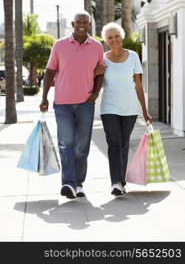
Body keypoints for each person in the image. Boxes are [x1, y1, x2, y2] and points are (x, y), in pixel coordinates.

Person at [40, 11, 104, 199]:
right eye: (78, 22)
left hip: (86, 104)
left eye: (85, 22)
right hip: (63, 104)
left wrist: (95, 94)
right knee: (66, 144)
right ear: (72, 24)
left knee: (82, 146)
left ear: (89, 24)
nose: (82, 25)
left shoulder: (97, 46)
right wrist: (44, 97)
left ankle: (79, 183)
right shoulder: (59, 45)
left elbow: (100, 72)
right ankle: (68, 183)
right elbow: (50, 71)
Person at [99, 22, 152, 197]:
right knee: (114, 143)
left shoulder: (133, 56)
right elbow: (93, 79)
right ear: (106, 40)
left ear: (122, 37)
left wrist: (145, 111)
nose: (113, 40)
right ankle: (116, 182)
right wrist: (96, 72)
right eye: (110, 37)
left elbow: (138, 86)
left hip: (129, 108)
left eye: (116, 36)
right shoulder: (103, 59)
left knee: (123, 143)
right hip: (109, 107)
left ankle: (121, 181)